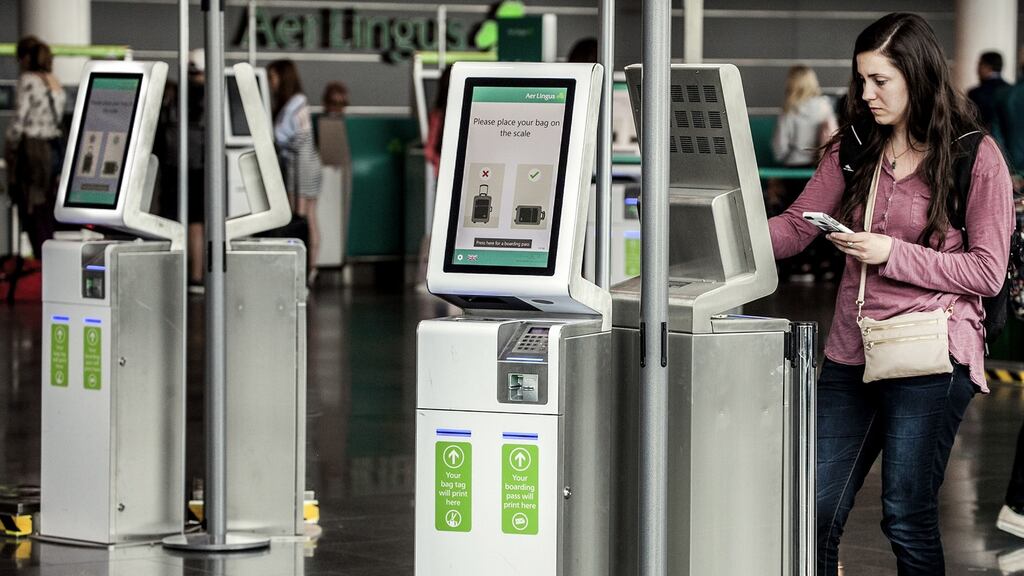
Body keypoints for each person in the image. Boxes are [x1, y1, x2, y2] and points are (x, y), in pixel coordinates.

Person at [768, 13, 1014, 575]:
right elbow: (798, 227)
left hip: (929, 352)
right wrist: (730, 235)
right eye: (861, 79)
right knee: (816, 507)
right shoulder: (852, 149)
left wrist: (890, 254)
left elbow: (987, 272)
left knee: (906, 515)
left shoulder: (975, 157)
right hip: (851, 351)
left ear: (918, 76)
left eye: (881, 80)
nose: (865, 93)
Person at [771, 65, 840, 281]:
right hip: (819, 170)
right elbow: (835, 139)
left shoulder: (791, 109)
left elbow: (779, 149)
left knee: (793, 220)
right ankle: (818, 265)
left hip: (793, 171)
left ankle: (796, 267)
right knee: (817, 220)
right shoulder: (825, 106)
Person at [3, 37, 66, 260]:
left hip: (32, 152)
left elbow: (20, 119)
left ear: (26, 57)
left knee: (32, 206)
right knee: (46, 206)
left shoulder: (28, 79)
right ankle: (51, 255)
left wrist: (8, 144)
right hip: (53, 150)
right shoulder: (54, 81)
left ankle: (41, 258)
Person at [268, 59, 322, 285]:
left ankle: (306, 267)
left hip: (302, 168)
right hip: (299, 167)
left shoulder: (296, 103)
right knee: (305, 217)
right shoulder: (292, 103)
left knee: (302, 218)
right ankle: (307, 267)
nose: (271, 83)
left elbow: (297, 139)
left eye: (273, 77)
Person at [967, 51, 1010, 131]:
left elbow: (971, 121)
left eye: (980, 64)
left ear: (987, 67)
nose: (977, 69)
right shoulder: (1010, 91)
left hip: (983, 138)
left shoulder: (975, 93)